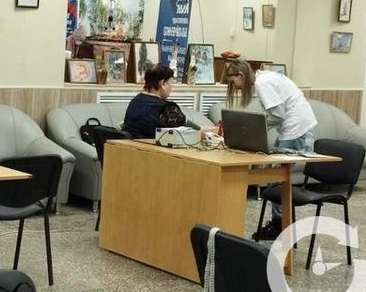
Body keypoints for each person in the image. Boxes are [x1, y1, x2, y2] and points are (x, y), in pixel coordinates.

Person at [222, 59, 318, 241]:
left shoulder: (262, 83)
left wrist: (255, 127)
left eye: (233, 82)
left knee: (277, 175)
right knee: (276, 174)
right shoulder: (263, 79)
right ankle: (280, 222)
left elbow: (278, 115)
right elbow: (277, 114)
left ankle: (279, 225)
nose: (235, 87)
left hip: (296, 127)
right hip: (295, 126)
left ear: (241, 75)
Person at [121, 64, 200, 139]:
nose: (171, 88)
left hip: (128, 146)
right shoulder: (167, 109)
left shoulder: (135, 102)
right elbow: (185, 135)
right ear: (163, 84)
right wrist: (201, 134)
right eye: (170, 84)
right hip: (152, 147)